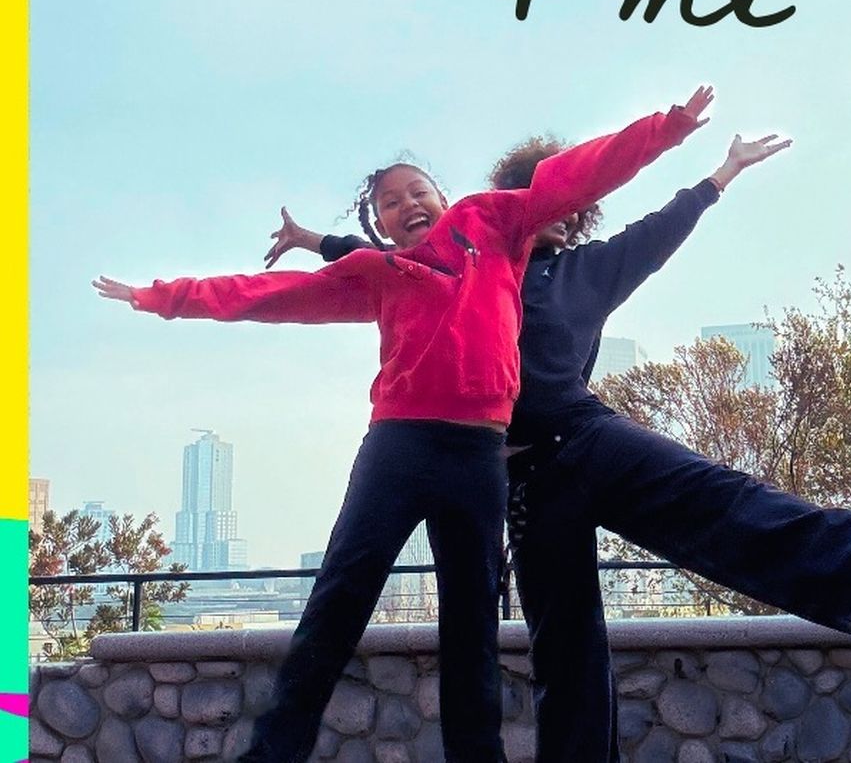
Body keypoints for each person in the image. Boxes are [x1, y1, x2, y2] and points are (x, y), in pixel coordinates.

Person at [270, 131, 851, 763]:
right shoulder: (470, 261)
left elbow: (659, 230)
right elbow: (381, 255)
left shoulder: (594, 268)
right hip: (520, 483)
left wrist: (721, 174)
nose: (552, 208)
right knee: (566, 648)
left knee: (717, 498)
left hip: (585, 438)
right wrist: (312, 241)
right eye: (535, 195)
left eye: (565, 201)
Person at [93, 87, 712, 763]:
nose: (408, 204)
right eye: (391, 202)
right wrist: (161, 297)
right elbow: (267, 294)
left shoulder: (494, 223)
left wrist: (666, 129)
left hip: (479, 457)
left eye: (418, 191)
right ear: (382, 225)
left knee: (472, 627)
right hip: (398, 448)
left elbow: (573, 177)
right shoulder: (378, 272)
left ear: (442, 197)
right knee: (337, 603)